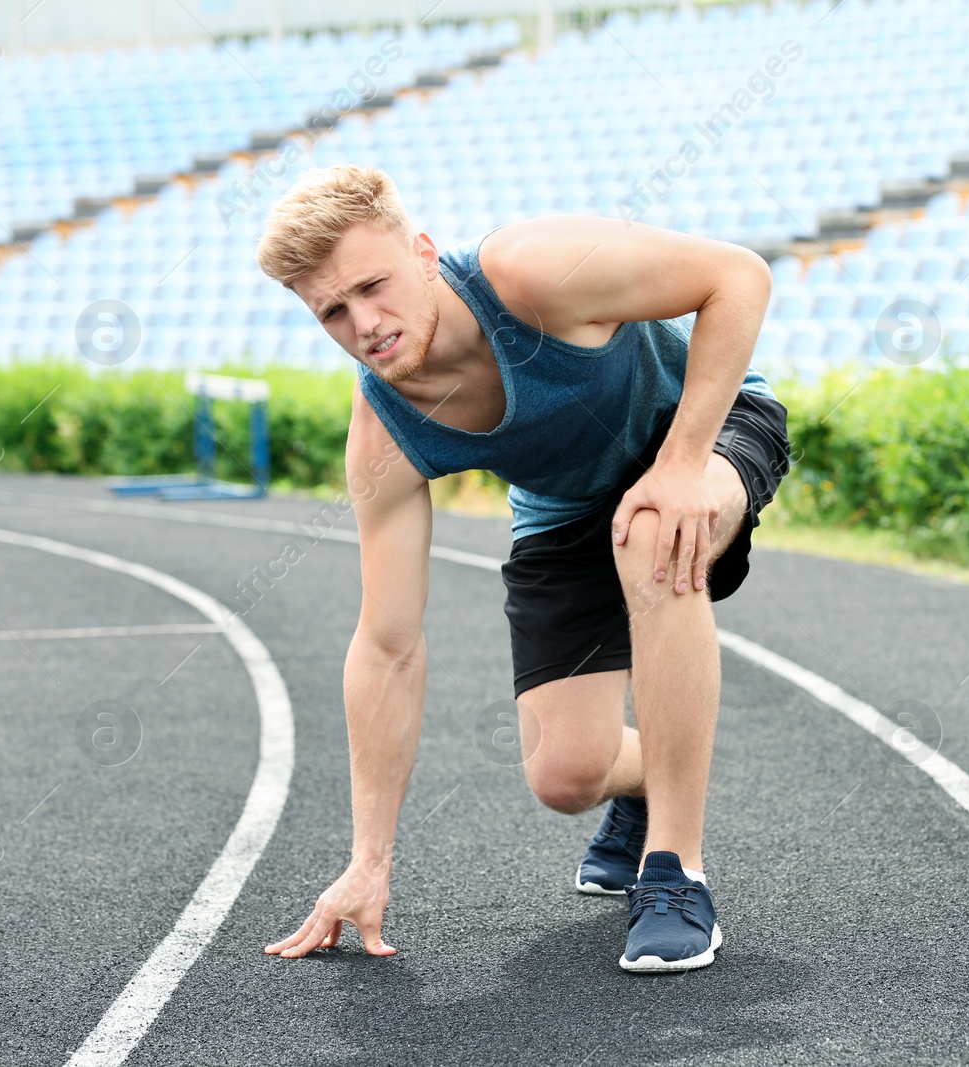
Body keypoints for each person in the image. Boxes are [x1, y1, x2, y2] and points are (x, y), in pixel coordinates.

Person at [254, 165, 790, 973]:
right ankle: (650, 782)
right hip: (567, 505)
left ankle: (677, 872)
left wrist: (681, 461)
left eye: (373, 285)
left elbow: (738, 278)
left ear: (424, 254)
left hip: (702, 430)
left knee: (652, 534)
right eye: (333, 309)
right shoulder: (386, 435)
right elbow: (388, 645)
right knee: (566, 774)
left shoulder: (532, 271)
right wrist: (369, 861)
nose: (364, 323)